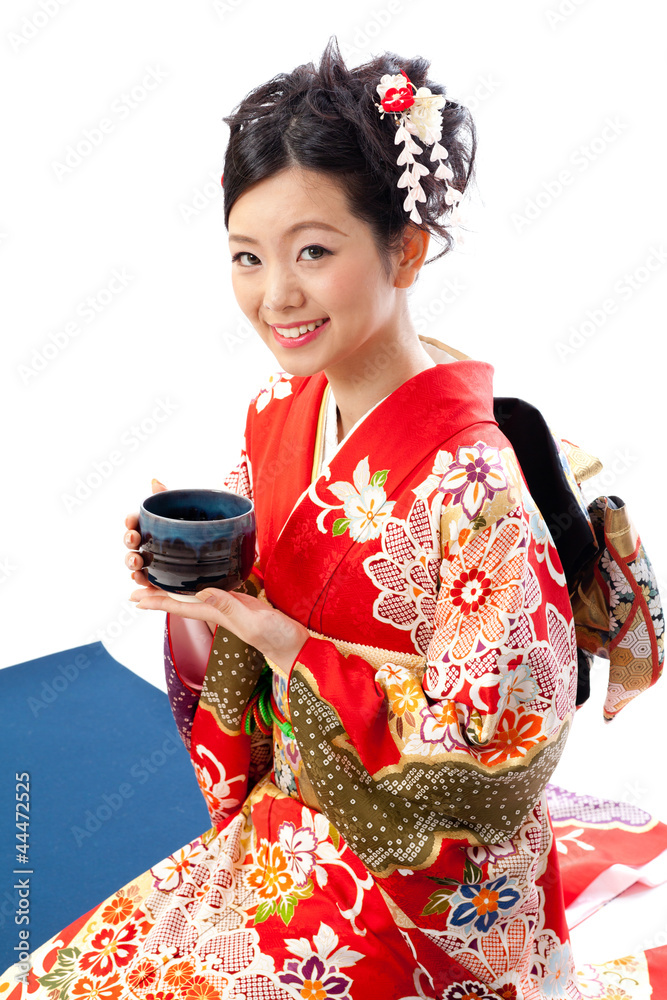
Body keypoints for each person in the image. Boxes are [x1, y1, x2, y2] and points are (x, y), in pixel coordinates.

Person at [3, 35, 666, 1000]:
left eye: (313, 251)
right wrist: (201, 598)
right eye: (247, 257)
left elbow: (487, 763)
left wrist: (283, 646)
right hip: (289, 831)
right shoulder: (281, 414)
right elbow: (250, 633)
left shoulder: (479, 489)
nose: (276, 296)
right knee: (57, 980)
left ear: (404, 247)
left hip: (432, 897)